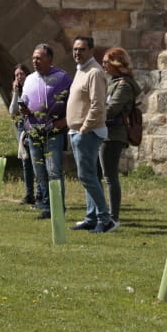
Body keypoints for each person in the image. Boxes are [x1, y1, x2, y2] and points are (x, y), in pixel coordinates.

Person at [18, 43, 71, 220]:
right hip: (33, 131)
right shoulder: (30, 79)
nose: (35, 61)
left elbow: (72, 103)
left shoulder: (62, 78)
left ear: (49, 59)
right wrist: (23, 109)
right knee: (39, 171)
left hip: (53, 131)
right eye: (33, 58)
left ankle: (58, 207)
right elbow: (24, 100)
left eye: (39, 58)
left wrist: (64, 122)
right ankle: (48, 207)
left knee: (54, 170)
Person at [66, 35, 112, 233]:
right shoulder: (81, 70)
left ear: (91, 51)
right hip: (77, 131)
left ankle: (105, 218)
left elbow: (97, 105)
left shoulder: (94, 72)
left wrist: (84, 128)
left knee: (87, 176)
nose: (77, 52)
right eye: (75, 49)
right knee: (88, 176)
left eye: (82, 49)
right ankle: (91, 217)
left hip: (88, 132)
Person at [99, 47, 141, 225]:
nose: (103, 65)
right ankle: (102, 212)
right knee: (102, 174)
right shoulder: (114, 82)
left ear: (116, 63)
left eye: (106, 62)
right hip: (106, 132)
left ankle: (113, 215)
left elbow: (112, 109)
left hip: (114, 134)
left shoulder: (123, 85)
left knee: (109, 176)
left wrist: (92, 116)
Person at [9, 64, 39, 206]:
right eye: (16, 75)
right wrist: (15, 93)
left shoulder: (33, 89)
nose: (19, 77)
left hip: (32, 125)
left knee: (36, 160)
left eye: (21, 74)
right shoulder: (18, 91)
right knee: (25, 161)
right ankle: (29, 193)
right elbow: (13, 111)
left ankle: (40, 193)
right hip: (22, 127)